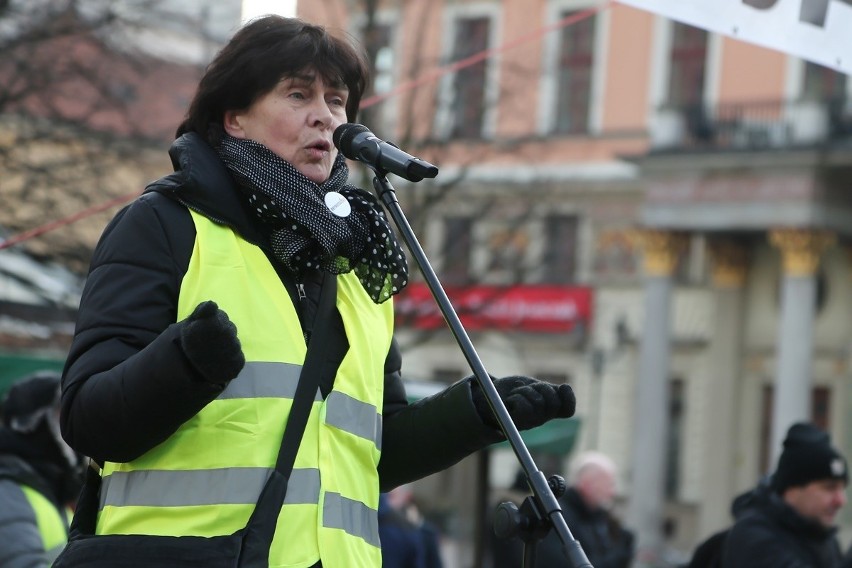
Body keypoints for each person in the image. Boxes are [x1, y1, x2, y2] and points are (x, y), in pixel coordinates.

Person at [56, 15, 576, 568]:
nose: (324, 116)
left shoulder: (356, 258)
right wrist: (185, 364)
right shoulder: (164, 225)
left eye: (336, 99)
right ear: (234, 117)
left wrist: (475, 413)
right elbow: (89, 420)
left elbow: (369, 451)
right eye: (298, 94)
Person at [720, 422, 852, 568]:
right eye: (829, 488)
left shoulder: (822, 537)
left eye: (842, 489)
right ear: (793, 489)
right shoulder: (753, 535)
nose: (841, 500)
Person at [0, 371, 85, 567]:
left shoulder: (50, 487)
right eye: (60, 418)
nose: (69, 430)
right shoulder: (7, 488)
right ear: (33, 425)